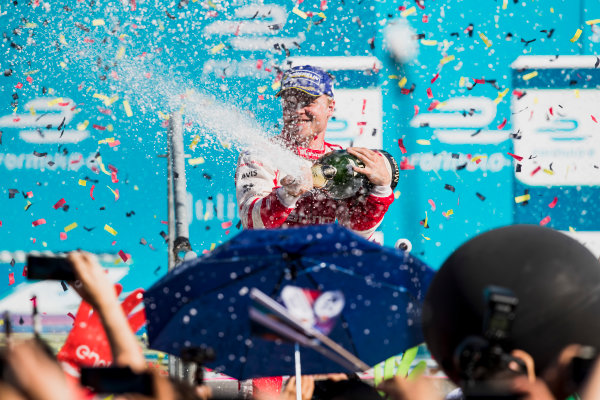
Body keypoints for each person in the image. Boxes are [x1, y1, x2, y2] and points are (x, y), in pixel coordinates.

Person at [235, 65, 394, 240]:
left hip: (317, 263)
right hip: (273, 262)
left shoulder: (340, 159)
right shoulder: (260, 154)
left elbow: (355, 235)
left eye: (308, 102)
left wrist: (381, 189)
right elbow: (252, 224)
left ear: (330, 107)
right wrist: (287, 194)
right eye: (290, 103)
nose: (297, 111)